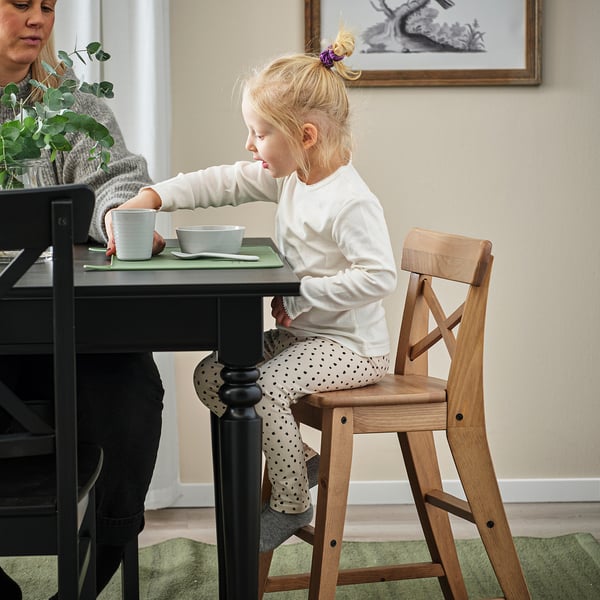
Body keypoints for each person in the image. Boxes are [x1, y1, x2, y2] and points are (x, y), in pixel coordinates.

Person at [106, 28, 397, 552]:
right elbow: (222, 181)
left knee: (259, 390)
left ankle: (290, 503)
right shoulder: (292, 178)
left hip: (353, 349)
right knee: (213, 376)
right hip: (304, 340)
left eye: (259, 134)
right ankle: (300, 462)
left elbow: (379, 276)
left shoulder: (349, 200)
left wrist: (302, 294)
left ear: (305, 136)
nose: (250, 145)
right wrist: (151, 197)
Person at [0, 1, 164, 598]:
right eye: (20, 2)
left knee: (130, 387)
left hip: (65, 337)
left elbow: (116, 177)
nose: (38, 17)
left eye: (47, 5)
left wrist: (120, 214)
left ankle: (89, 579)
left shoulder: (72, 105)